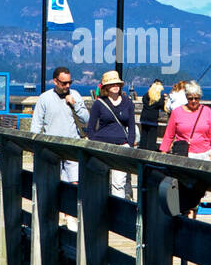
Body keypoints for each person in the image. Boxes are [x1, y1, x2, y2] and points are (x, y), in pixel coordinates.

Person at [159, 81, 211, 216]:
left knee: (200, 186)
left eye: (197, 98)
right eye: (191, 98)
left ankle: (188, 206)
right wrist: (163, 153)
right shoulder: (177, 112)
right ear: (186, 97)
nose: (194, 101)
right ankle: (183, 210)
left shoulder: (206, 111)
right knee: (183, 184)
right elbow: (169, 134)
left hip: (204, 154)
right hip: (184, 154)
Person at [30, 65, 89, 186]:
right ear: (55, 81)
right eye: (64, 83)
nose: (67, 86)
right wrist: (33, 144)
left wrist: (75, 105)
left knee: (74, 183)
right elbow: (36, 123)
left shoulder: (75, 95)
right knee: (53, 182)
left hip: (72, 145)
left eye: (69, 82)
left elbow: (86, 119)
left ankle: (71, 205)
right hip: (52, 146)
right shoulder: (44, 98)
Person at [87, 70, 136, 198]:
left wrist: (129, 144)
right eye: (111, 84)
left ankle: (116, 213)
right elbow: (91, 127)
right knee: (100, 180)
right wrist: (94, 142)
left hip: (122, 145)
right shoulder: (99, 103)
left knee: (118, 183)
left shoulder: (128, 103)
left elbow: (131, 126)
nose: (115, 86)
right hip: (102, 146)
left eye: (117, 83)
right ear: (106, 87)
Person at [138, 79, 166, 151]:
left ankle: (142, 148)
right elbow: (161, 106)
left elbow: (144, 100)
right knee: (152, 136)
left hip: (144, 117)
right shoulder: (160, 97)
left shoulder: (146, 95)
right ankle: (151, 150)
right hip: (153, 119)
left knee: (144, 135)